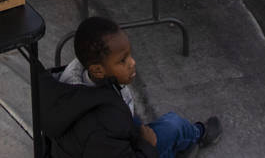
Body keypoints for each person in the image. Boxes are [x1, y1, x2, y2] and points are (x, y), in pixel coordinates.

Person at [41, 16, 221, 158]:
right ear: (98, 70)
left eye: (129, 55)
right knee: (173, 126)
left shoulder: (74, 79)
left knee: (146, 125)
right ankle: (199, 133)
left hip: (101, 144)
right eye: (122, 60)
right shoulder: (102, 124)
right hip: (118, 146)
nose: (132, 62)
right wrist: (147, 145)